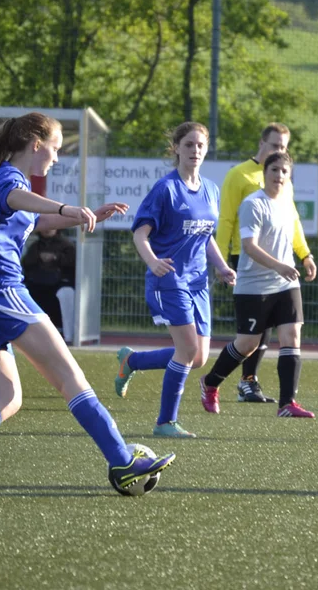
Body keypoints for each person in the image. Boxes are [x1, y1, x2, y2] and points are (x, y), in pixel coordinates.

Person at [0, 112, 174, 496]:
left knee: (7, 397)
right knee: (71, 379)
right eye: (54, 148)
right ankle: (122, 462)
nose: (55, 157)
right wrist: (66, 208)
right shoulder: (9, 178)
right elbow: (14, 197)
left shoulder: (3, 181)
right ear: (35, 143)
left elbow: (27, 221)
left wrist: (83, 217)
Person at [114, 122, 236, 438]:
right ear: (176, 149)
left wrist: (221, 267)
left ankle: (132, 361)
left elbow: (206, 236)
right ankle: (165, 423)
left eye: (200, 145)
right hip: (169, 278)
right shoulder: (165, 189)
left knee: (197, 357)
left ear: (206, 149)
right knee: (186, 350)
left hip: (198, 282)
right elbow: (141, 234)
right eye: (189, 145)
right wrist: (152, 261)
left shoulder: (211, 189)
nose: (195, 150)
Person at [199, 152, 317, 418]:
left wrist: (306, 257)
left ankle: (287, 404)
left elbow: (296, 231)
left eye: (284, 172)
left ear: (289, 176)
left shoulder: (287, 202)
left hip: (285, 284)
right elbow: (249, 247)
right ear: (265, 173)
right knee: (247, 344)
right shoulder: (253, 204)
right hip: (253, 285)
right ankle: (210, 383)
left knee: (292, 336)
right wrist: (279, 265)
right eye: (274, 170)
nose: (279, 176)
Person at [23, 228, 77, 342]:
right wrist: (39, 257)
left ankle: (67, 335)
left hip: (59, 282)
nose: (48, 229)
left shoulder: (67, 245)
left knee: (65, 294)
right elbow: (26, 263)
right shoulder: (35, 246)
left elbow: (72, 263)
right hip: (37, 282)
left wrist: (55, 258)